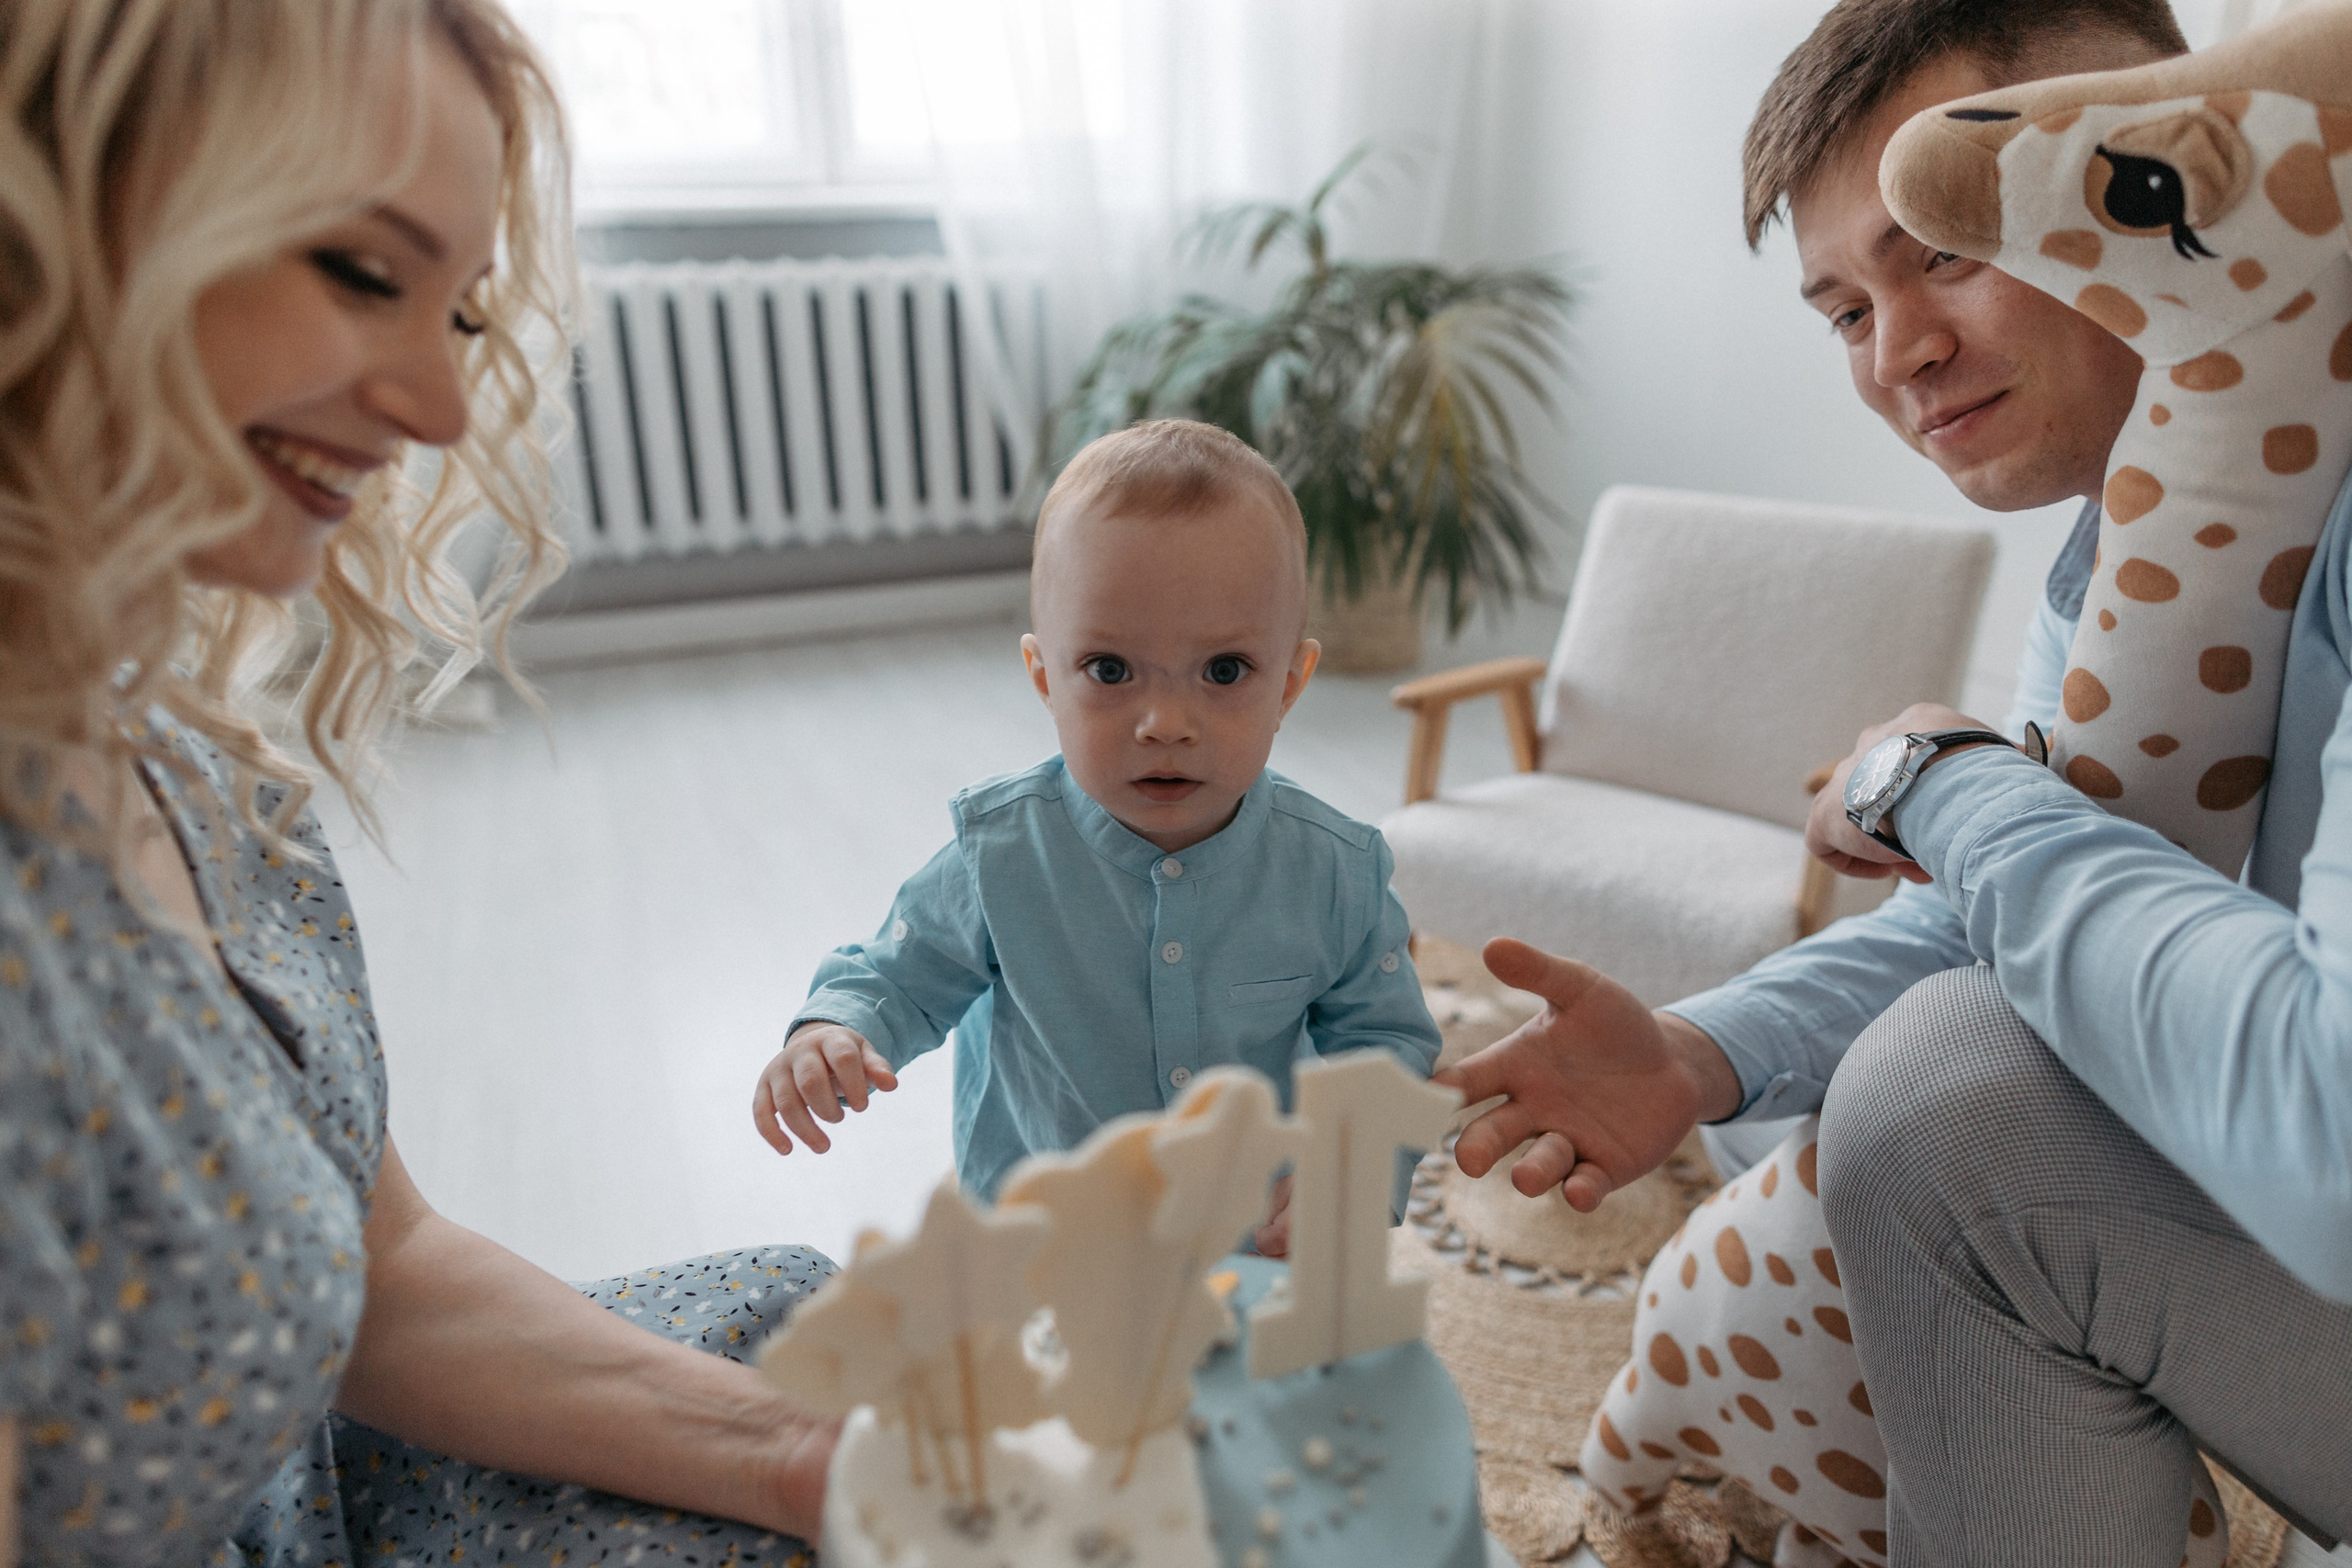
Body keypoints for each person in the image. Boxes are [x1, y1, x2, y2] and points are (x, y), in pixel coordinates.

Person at [1436, 0, 2352, 1559]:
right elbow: (2045, 917)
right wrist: (1693, 1051)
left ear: (2143, 172)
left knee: (1942, 1110)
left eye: (1945, 248)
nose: (1898, 352)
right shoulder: (2122, 574)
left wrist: (1938, 780)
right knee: (1917, 1081)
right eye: (1843, 309)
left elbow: (2326, 1120)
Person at [0, 6, 840, 1564]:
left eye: (457, 317)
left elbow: (381, 1270)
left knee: (822, 1334)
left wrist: (809, 1464)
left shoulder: (200, 770)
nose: (444, 412)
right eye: (365, 274)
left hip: (299, 1470)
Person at [752, 420, 1442, 1253]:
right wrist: (837, 1031)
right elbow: (898, 973)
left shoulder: (1336, 869)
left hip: (1249, 1232)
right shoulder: (999, 851)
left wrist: (1357, 1159)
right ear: (1046, 676)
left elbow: (1387, 1036)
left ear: (1290, 681)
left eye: (1224, 672)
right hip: (1043, 1238)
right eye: (1111, 671)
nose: (1165, 723)